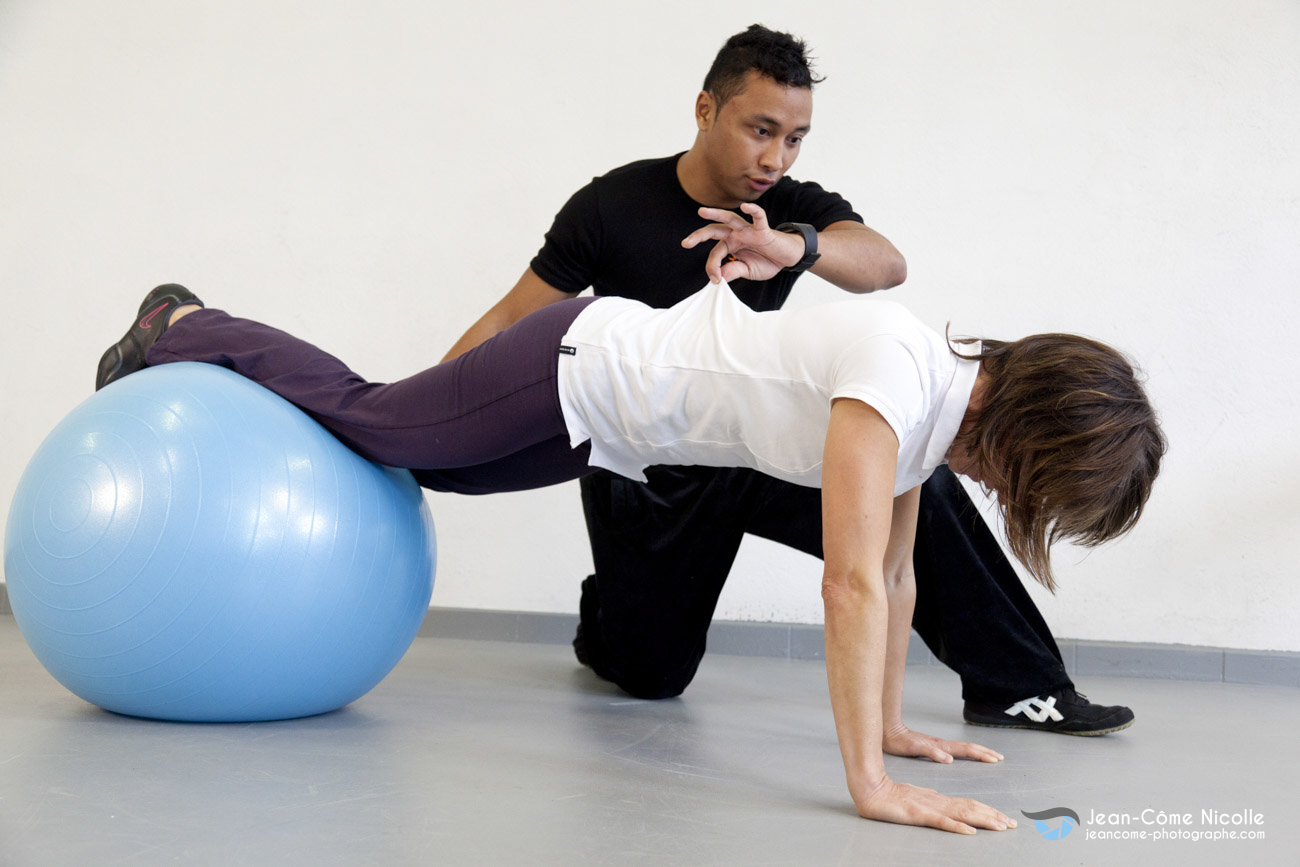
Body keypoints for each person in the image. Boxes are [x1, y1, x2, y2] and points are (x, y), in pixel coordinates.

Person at [93, 278, 1164, 835]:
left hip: (608, 426)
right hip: (576, 363)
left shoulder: (932, 417)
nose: (1011, 500)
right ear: (1030, 434)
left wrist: (889, 725)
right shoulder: (899, 376)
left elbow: (894, 575)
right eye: (1034, 487)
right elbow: (846, 584)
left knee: (420, 467)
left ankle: (216, 354)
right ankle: (184, 325)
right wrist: (869, 783)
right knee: (378, 422)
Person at [440, 23, 1134, 734]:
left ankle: (1022, 686)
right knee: (648, 675)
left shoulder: (788, 206)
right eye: (761, 130)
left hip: (761, 446)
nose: (776, 157)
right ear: (706, 109)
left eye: (795, 138)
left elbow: (885, 264)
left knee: (922, 479)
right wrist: (438, 408)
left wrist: (791, 244)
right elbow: (510, 320)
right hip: (652, 460)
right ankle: (609, 614)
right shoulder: (610, 204)